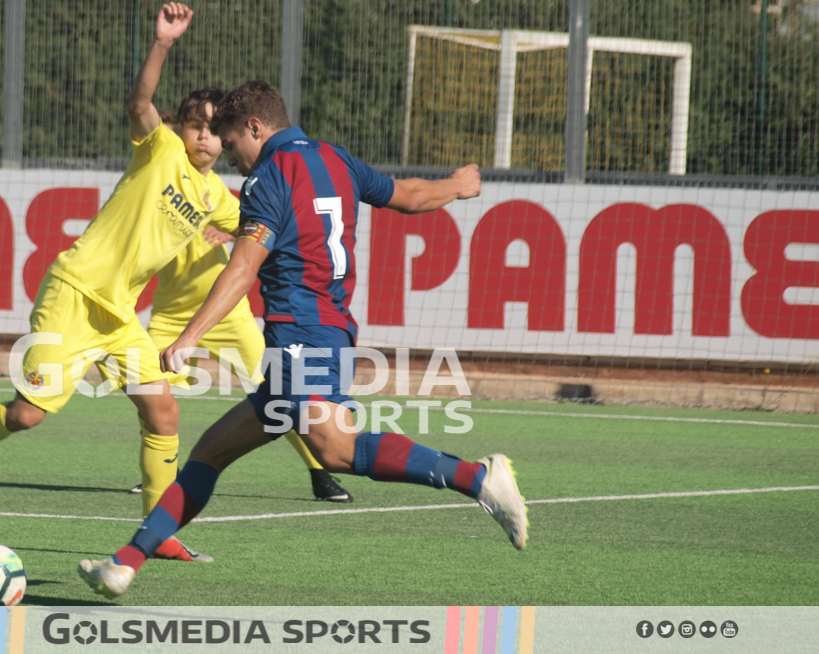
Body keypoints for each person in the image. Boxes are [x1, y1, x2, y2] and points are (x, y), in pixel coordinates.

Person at [79, 81, 528, 599]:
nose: (235, 160)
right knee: (209, 453)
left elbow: (245, 265)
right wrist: (455, 184)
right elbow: (408, 195)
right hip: (320, 331)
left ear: (255, 128)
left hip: (303, 333)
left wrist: (189, 337)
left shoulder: (269, 175)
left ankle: (478, 477)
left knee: (335, 450)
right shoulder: (334, 159)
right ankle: (125, 562)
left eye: (232, 144)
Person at [0, 3, 236, 562]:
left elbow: (261, 227)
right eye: (196, 125)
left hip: (120, 316)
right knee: (26, 415)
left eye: (212, 130)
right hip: (74, 294)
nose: (203, 137)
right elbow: (139, 103)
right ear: (182, 128)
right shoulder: (161, 148)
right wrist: (161, 44)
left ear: (225, 140)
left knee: (164, 412)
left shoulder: (218, 198)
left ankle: (159, 533)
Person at [136, 199, 355, 503]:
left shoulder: (210, 192)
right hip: (169, 317)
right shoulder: (152, 194)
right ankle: (163, 474)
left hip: (228, 316)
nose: (202, 147)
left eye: (215, 146)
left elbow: (261, 228)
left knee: (285, 395)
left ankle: (320, 474)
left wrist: (233, 235)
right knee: (149, 394)